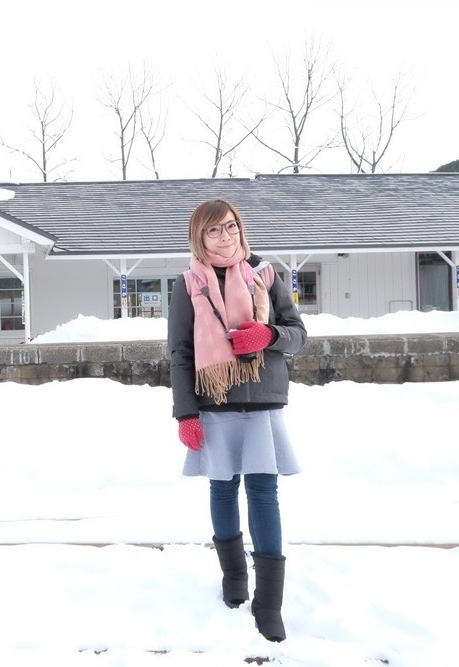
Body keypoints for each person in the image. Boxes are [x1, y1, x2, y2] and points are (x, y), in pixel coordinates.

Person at [167, 198, 307, 642]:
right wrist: (186, 413)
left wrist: (268, 335)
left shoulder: (265, 274)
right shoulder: (188, 284)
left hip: (263, 402)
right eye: (213, 230)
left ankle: (269, 604)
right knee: (223, 489)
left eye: (230, 226)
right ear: (199, 237)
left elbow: (298, 335)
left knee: (264, 493)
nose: (224, 235)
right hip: (214, 402)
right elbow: (180, 353)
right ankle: (234, 577)